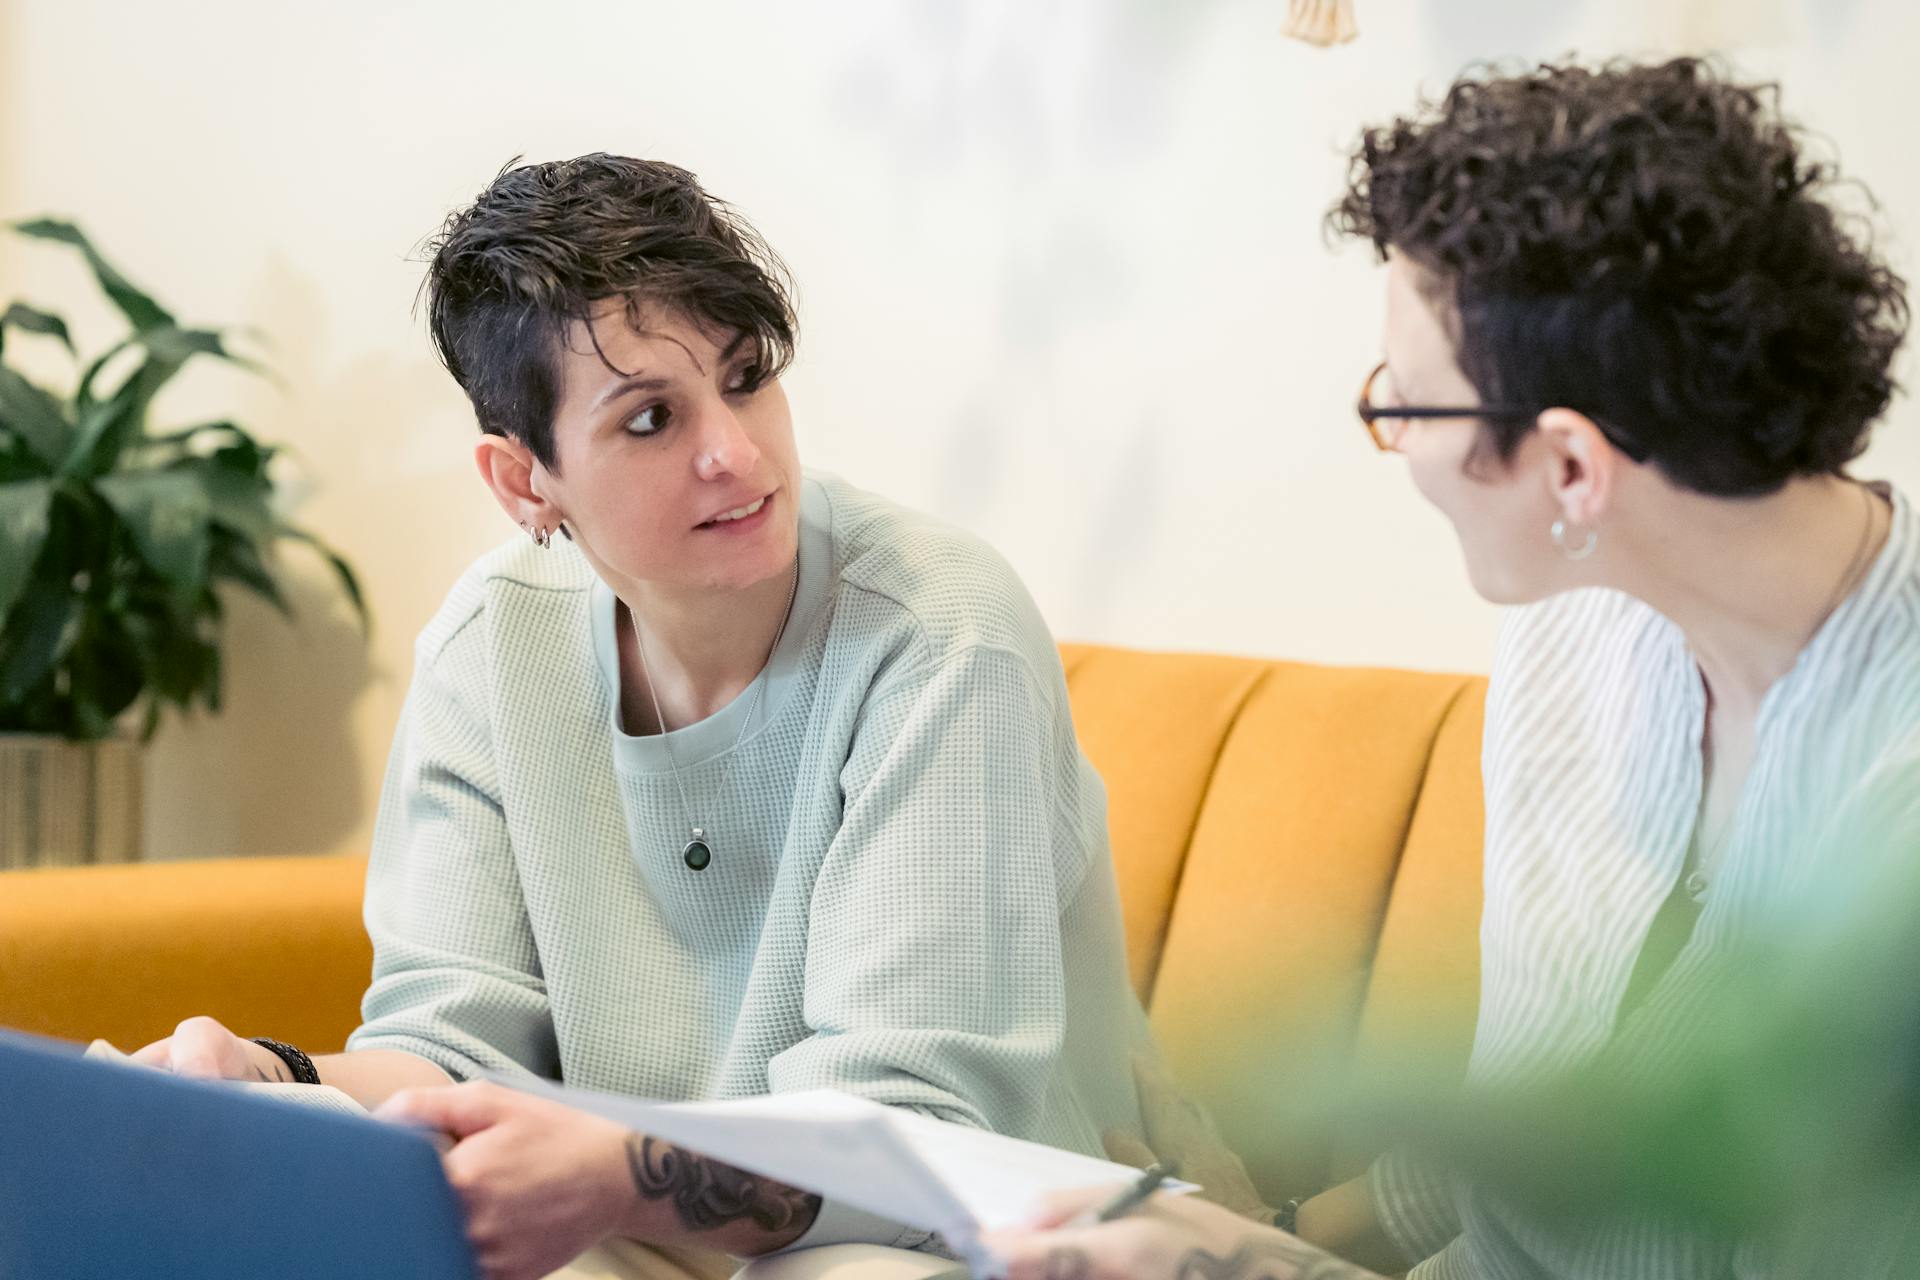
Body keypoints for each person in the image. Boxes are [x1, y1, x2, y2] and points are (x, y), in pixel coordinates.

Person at [132, 154, 1151, 1280]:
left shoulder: (939, 629)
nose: (737, 450)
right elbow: (451, 1053)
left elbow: (916, 1120)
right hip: (653, 1218)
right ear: (525, 482)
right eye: (653, 417)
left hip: (984, 1227)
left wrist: (613, 1171)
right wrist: (265, 1080)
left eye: (747, 375)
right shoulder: (490, 647)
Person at [987, 56, 1920, 1280]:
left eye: (1408, 408)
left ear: (1573, 469)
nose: (1396, 444)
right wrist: (1262, 1235)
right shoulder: (1575, 632)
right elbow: (1539, 1128)